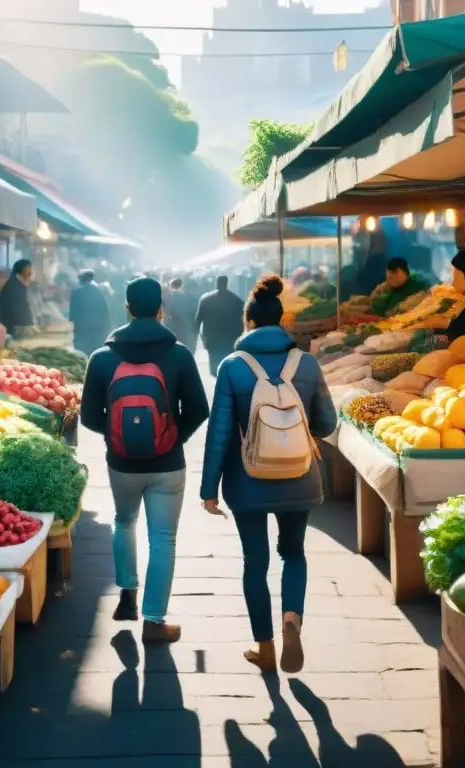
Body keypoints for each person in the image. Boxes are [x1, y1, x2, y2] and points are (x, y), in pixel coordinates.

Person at [199, 275, 338, 674]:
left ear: (249, 324)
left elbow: (220, 433)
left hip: (249, 481)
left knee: (254, 562)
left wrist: (209, 489)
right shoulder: (307, 363)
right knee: (293, 553)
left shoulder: (232, 367)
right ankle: (292, 620)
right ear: (283, 321)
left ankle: (265, 648)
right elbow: (325, 424)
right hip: (300, 476)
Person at [80, 277, 209, 644]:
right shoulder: (179, 353)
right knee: (163, 539)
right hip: (168, 464)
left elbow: (88, 415)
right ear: (160, 309)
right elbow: (199, 408)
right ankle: (154, 621)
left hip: (121, 463)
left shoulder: (102, 357)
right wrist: (172, 436)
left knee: (124, 521)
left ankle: (127, 597)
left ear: (126, 308)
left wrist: (116, 435)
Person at [195, 275, 245, 376]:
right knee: (229, 365)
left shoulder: (206, 299)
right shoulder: (236, 300)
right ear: (227, 284)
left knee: (214, 368)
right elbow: (243, 320)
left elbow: (198, 319)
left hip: (211, 338)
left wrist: (197, 335)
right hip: (230, 338)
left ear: (216, 283)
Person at [69, 269, 112, 356]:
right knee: (97, 350)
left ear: (81, 280)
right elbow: (105, 310)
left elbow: (73, 313)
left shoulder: (76, 293)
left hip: (82, 329)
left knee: (82, 353)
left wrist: (73, 326)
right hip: (98, 328)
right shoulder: (99, 291)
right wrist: (106, 326)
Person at [163, 277, 199, 352]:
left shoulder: (167, 299)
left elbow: (166, 319)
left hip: (174, 334)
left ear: (171, 286)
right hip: (189, 333)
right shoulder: (191, 298)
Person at [0, 259, 34, 334]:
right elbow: (17, 312)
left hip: (21, 328)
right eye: (28, 274)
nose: (30, 275)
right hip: (15, 330)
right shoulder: (12, 287)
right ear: (19, 273)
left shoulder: (18, 285)